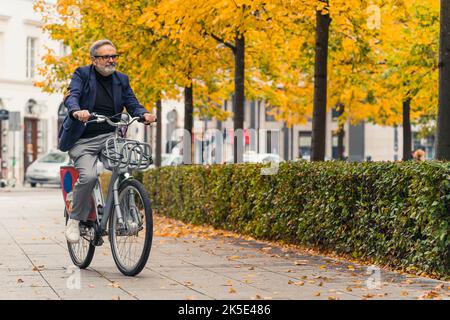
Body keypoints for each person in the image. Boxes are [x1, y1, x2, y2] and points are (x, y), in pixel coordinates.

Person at [59, 39, 157, 243]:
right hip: (82, 140)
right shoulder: (82, 74)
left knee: (124, 168)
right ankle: (75, 220)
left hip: (110, 138)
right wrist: (77, 111)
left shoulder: (121, 79)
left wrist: (144, 113)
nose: (111, 60)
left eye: (114, 56)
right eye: (106, 57)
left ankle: (125, 214)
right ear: (94, 60)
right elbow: (72, 96)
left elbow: (131, 102)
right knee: (89, 176)